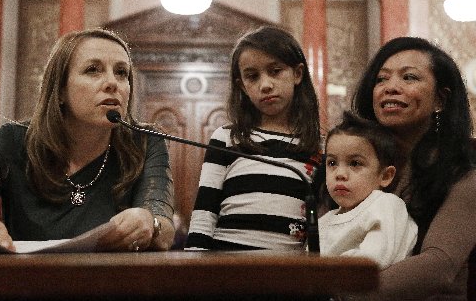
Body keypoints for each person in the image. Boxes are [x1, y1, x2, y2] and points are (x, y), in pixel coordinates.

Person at [0, 28, 175, 253]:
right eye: (93, 70)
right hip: (29, 283)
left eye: (122, 73)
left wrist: (150, 223)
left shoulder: (145, 142)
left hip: (112, 283)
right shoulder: (11, 141)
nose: (112, 83)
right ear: (60, 89)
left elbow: (164, 228)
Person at [349, 36, 476, 300]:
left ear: (440, 100)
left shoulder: (464, 175)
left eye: (409, 77)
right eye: (381, 79)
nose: (390, 87)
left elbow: (438, 265)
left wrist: (344, 294)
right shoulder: (353, 168)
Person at [185, 25, 322, 250]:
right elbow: (204, 211)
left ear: (297, 74)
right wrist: (194, 263)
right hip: (225, 264)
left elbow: (322, 219)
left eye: (275, 71)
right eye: (252, 76)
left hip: (288, 271)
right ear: (242, 85)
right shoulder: (227, 137)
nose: (265, 85)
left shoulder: (319, 145)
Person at [319, 111, 417, 269]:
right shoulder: (325, 220)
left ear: (385, 176)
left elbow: (373, 261)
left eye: (355, 163)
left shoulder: (385, 205)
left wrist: (320, 273)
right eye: (332, 163)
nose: (340, 174)